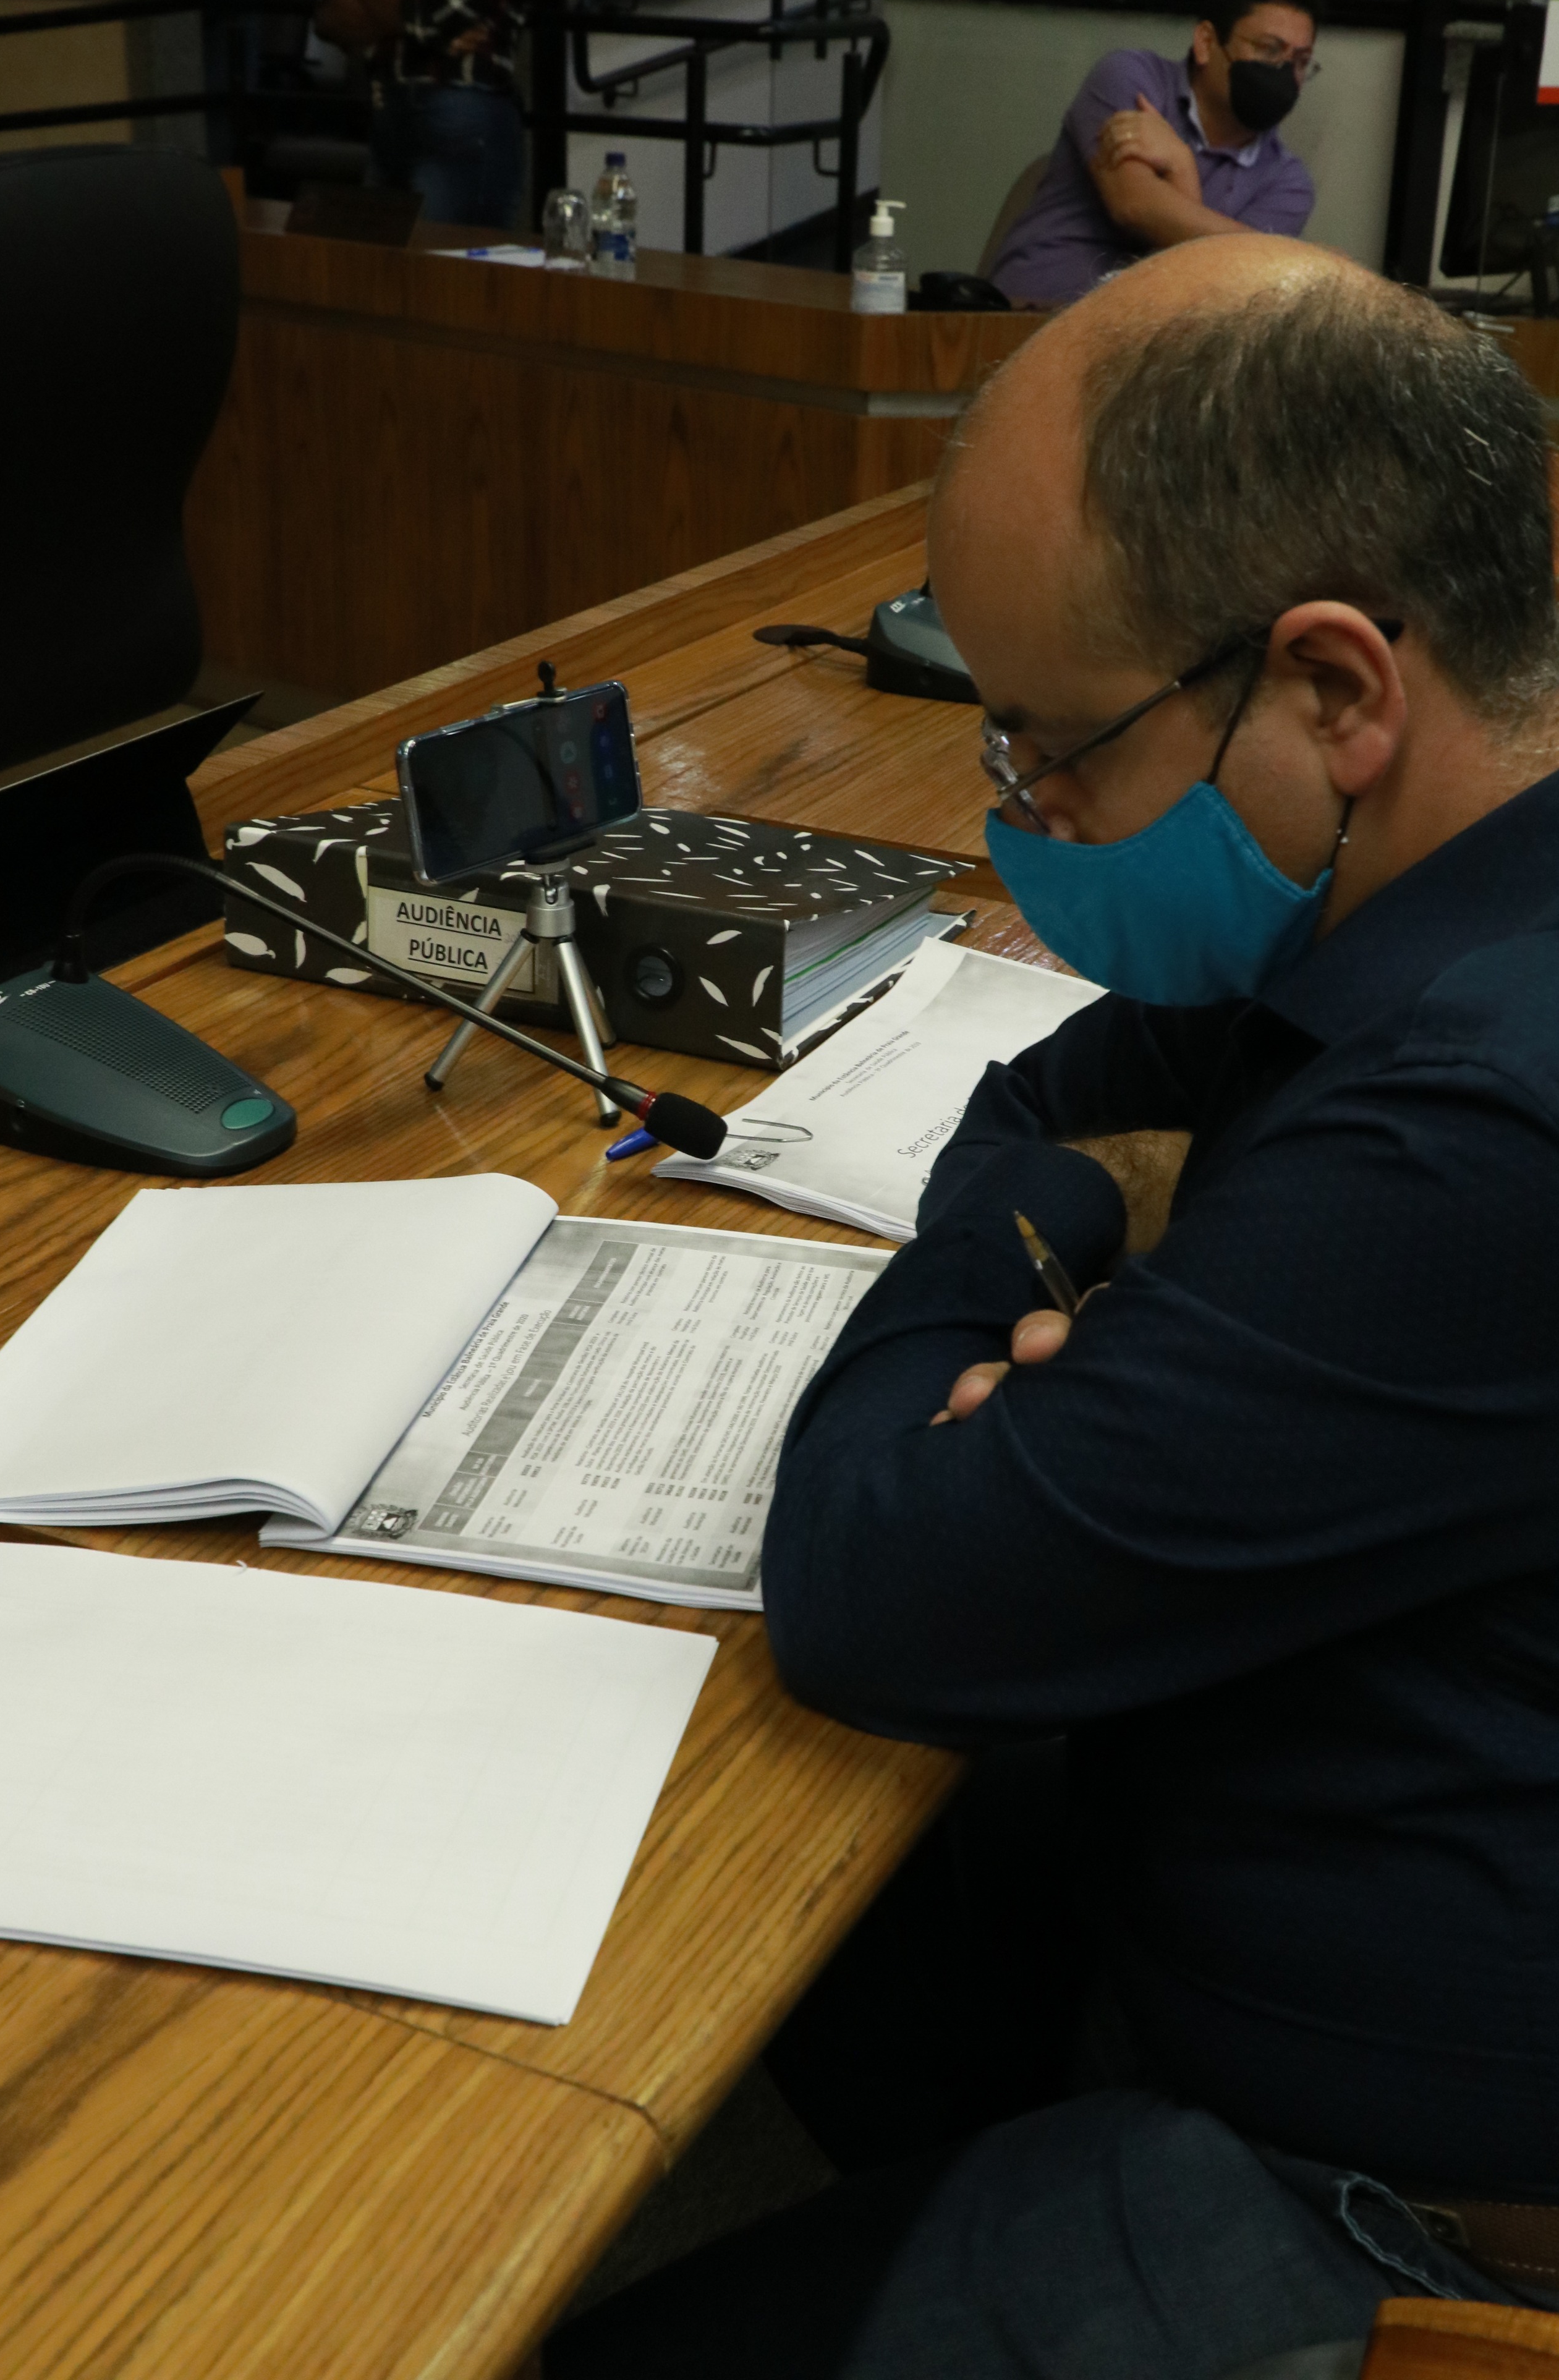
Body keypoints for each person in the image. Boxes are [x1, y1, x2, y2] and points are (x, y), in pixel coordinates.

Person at [542, 237, 1559, 2377]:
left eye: (1050, 747)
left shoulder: (1485, 1121)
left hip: (1405, 2215)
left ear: (1335, 691)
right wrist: (1088, 1209)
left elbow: (875, 1579)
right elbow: (1062, 1094)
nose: (1024, 824)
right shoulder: (1442, 879)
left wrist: (1016, 1254)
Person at [988, 0, 1319, 306]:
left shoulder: (1288, 184)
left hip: (1157, 332)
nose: (1285, 74)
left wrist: (1180, 165)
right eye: (1268, 50)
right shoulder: (1131, 78)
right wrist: (1247, 248)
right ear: (1206, 43)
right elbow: (1135, 206)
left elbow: (1224, 287)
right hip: (1036, 309)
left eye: (1301, 62)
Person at [313, 0, 527, 228]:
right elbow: (329, 18)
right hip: (389, 109)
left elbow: (429, 12)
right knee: (375, 248)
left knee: (444, 249)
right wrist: (411, 21)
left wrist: (381, 12)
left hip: (460, 110)